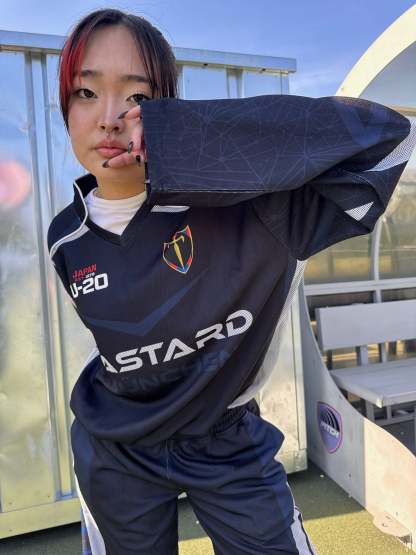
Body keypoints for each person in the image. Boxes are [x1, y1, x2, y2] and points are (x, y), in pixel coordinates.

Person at [47, 7, 415, 555]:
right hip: (115, 448)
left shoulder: (261, 211)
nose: (109, 118)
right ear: (65, 108)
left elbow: (388, 139)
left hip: (226, 440)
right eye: (85, 92)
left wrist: (184, 138)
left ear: (169, 109)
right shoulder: (65, 237)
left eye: (138, 97)